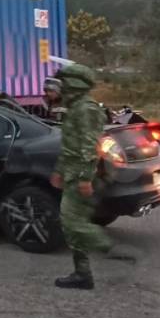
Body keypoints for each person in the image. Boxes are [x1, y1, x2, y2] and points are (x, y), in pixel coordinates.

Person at [50, 63, 137, 290]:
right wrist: (60, 171)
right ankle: (82, 274)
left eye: (63, 83)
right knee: (73, 224)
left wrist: (85, 179)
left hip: (83, 175)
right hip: (72, 173)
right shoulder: (75, 107)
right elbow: (69, 146)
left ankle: (111, 249)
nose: (57, 88)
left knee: (71, 222)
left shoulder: (86, 109)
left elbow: (90, 147)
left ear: (73, 84)